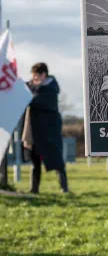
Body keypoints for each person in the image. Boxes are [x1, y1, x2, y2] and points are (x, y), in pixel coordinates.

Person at [22, 63, 69, 194]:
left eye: (36, 76)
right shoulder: (33, 87)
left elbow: (36, 101)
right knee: (34, 160)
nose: (34, 78)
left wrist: (28, 92)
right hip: (35, 131)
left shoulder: (50, 89)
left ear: (43, 75)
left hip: (49, 130)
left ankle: (64, 188)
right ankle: (34, 189)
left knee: (57, 160)